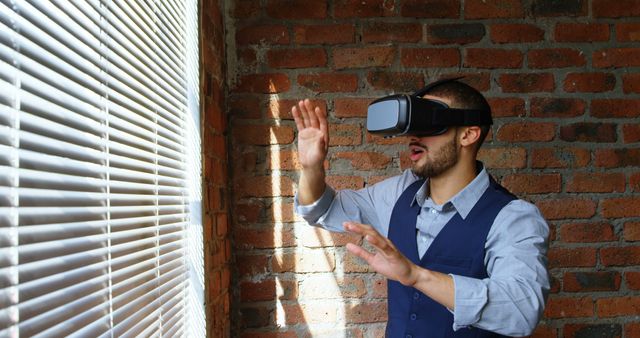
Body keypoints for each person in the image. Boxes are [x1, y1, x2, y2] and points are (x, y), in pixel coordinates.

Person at [292, 78, 549, 338]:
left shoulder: (513, 217)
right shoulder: (399, 193)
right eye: (414, 125)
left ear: (468, 134)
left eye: (429, 122)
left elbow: (521, 311)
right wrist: (311, 168)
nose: (414, 136)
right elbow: (323, 209)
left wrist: (416, 276)